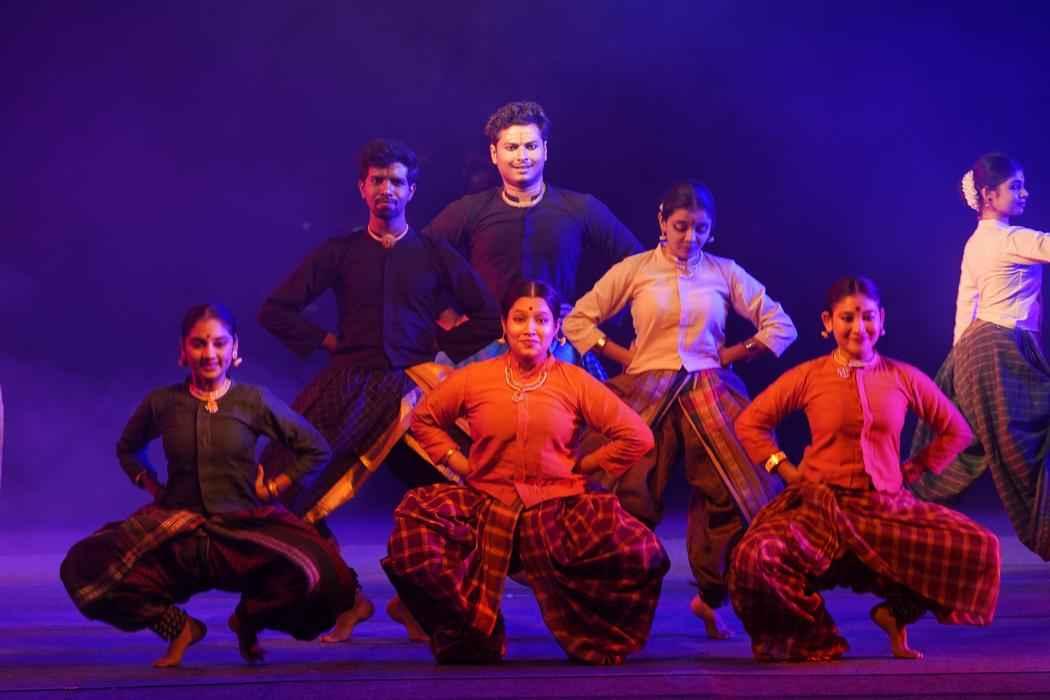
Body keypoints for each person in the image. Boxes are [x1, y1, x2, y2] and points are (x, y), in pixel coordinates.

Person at [257, 139, 501, 639]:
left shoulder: (433, 253)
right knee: (279, 483)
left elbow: (488, 317)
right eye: (377, 180)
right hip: (350, 385)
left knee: (464, 492)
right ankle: (348, 599)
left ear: (411, 191)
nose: (386, 189)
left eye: (396, 181)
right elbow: (275, 311)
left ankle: (415, 602)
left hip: (414, 388)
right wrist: (327, 341)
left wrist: (436, 347)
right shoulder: (340, 252)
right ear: (362, 189)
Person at [382, 280, 669, 665]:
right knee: (413, 526)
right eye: (519, 319)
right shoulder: (475, 378)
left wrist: (583, 466)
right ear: (504, 326)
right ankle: (468, 630)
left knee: (639, 550)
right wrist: (457, 461)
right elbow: (424, 419)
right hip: (486, 505)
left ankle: (595, 634)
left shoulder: (574, 381)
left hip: (558, 509)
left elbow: (637, 436)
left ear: (556, 329)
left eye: (541, 320)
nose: (530, 329)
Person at [60, 304, 360, 668]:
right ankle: (179, 628)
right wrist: (151, 485)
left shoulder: (253, 400)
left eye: (219, 343)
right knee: (84, 568)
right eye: (198, 344)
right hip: (179, 532)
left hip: (243, 531)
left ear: (235, 348)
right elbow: (128, 449)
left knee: (326, 575)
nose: (209, 354)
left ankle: (248, 620)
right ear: (183, 350)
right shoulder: (163, 402)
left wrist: (274, 487)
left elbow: (315, 447)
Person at [562, 180, 796, 638]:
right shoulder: (635, 269)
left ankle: (711, 595)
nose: (690, 237)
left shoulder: (724, 272)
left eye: (700, 229)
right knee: (627, 494)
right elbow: (577, 319)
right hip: (646, 388)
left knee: (736, 491)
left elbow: (780, 325)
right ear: (662, 222)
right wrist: (624, 357)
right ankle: (626, 606)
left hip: (709, 388)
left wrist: (734, 353)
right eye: (681, 226)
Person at [729, 277, 1001, 662]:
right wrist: (784, 469)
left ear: (882, 320)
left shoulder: (902, 377)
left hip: (883, 507)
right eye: (847, 318)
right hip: (818, 506)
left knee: (978, 546)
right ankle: (811, 638)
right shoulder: (809, 376)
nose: (859, 328)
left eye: (868, 317)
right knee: (756, 556)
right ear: (828, 322)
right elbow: (749, 422)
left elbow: (957, 431)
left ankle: (896, 614)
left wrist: (914, 469)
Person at [423, 100, 642, 371]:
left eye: (531, 146)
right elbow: (417, 257)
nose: (522, 156)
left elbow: (639, 263)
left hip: (556, 343)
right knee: (435, 384)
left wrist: (588, 315)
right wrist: (448, 315)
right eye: (511, 147)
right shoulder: (471, 209)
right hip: (486, 344)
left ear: (545, 150)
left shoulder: (579, 207)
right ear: (494, 153)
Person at [910, 153, 1050, 560]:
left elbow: (964, 304)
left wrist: (956, 363)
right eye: (1015, 187)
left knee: (964, 449)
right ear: (988, 195)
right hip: (1001, 350)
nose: (1025, 193)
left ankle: (913, 528)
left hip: (973, 351)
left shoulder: (974, 244)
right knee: (1023, 456)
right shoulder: (1011, 239)